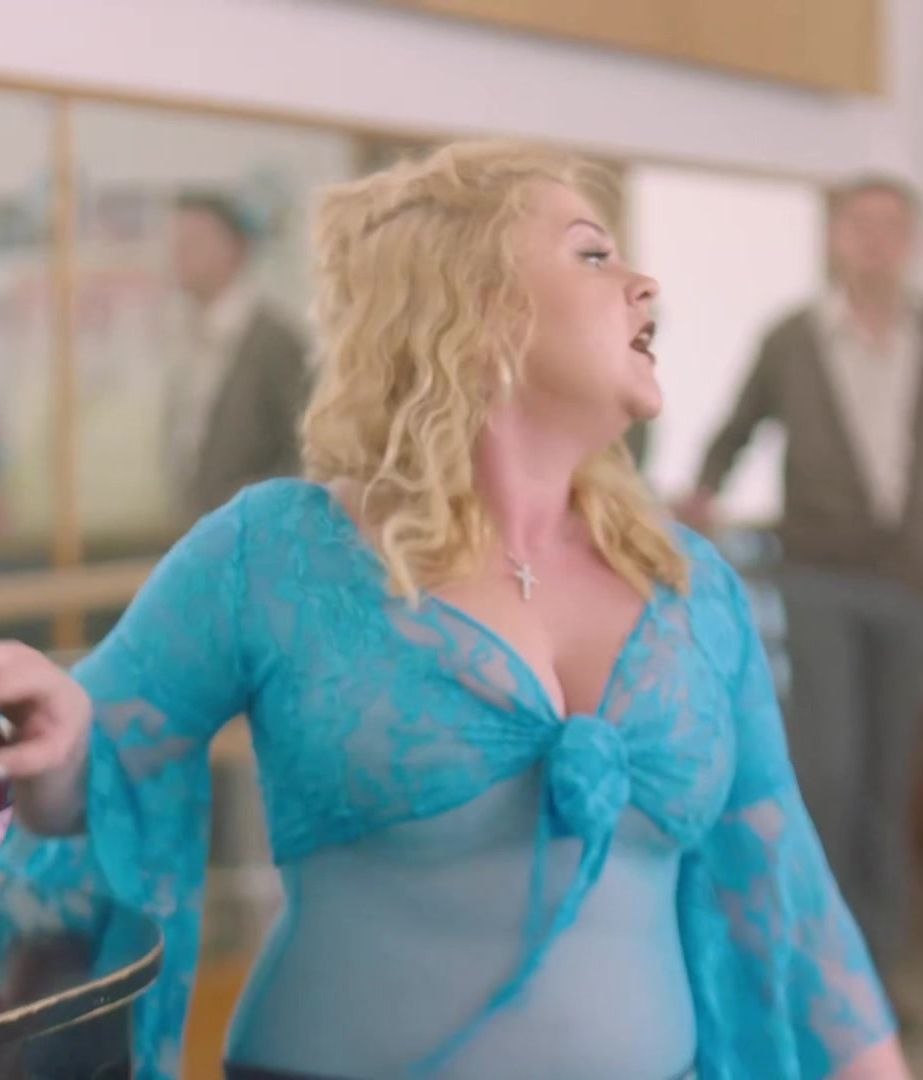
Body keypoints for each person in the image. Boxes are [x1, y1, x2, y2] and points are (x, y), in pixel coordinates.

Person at [0, 143, 908, 1080]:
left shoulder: (691, 585)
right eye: (592, 255)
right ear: (474, 301)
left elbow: (785, 890)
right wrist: (56, 740)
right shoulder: (273, 550)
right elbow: (95, 776)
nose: (644, 285)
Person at [678, 175, 923, 981]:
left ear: (909, 240)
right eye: (860, 225)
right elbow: (737, 426)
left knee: (891, 780)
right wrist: (701, 493)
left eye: (891, 227)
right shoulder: (792, 338)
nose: (875, 242)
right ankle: (819, 961)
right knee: (829, 769)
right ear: (833, 238)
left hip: (907, 583)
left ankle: (880, 971)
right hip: (818, 577)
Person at [166, 191, 311, 523]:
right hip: (202, 529)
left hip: (254, 532)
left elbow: (305, 450)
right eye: (176, 242)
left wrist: (261, 514)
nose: (179, 253)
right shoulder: (189, 335)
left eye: (193, 241)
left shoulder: (272, 340)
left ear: (235, 249)